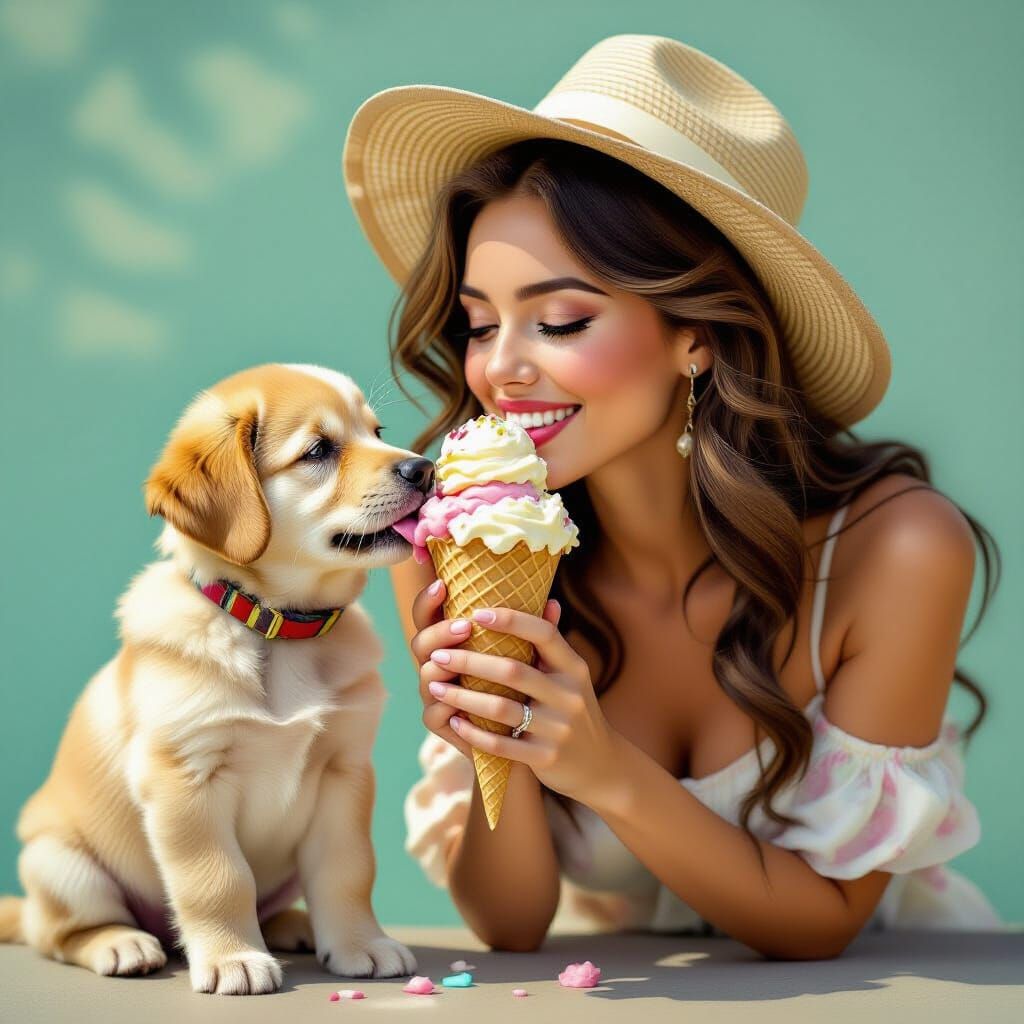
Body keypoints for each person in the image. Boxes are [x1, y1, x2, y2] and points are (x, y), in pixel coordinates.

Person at [341, 34, 1006, 957]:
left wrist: (605, 768)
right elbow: (509, 921)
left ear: (695, 334)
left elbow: (822, 924)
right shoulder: (455, 542)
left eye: (562, 320)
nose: (500, 369)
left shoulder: (897, 551)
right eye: (479, 323)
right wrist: (503, 745)